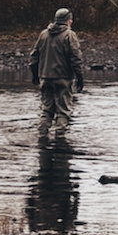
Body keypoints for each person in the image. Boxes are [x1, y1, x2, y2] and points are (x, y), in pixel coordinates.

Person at [29, 8, 84, 138]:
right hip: (63, 79)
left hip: (45, 78)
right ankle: (60, 141)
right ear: (68, 21)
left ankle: (42, 137)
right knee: (63, 111)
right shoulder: (69, 35)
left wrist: (35, 76)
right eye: (71, 19)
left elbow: (33, 58)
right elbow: (76, 59)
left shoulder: (43, 34)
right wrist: (80, 79)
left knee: (46, 110)